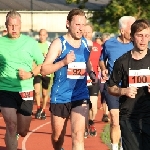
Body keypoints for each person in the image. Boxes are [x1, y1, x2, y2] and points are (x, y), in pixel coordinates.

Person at [41, 8, 97, 150]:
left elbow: (87, 62)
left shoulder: (86, 44)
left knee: (78, 135)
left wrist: (92, 74)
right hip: (60, 96)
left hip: (80, 95)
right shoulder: (58, 44)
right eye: (77, 25)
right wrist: (63, 62)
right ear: (68, 24)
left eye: (83, 25)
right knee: (57, 137)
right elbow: (44, 69)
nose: (81, 29)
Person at [0, 10, 44, 150]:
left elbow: (42, 63)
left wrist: (30, 74)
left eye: (16, 25)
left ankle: (12, 135)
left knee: (22, 131)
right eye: (11, 25)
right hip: (5, 89)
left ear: (21, 25)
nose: (14, 29)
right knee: (11, 125)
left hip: (25, 90)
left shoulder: (30, 43)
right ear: (6, 25)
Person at [107, 19, 150, 150]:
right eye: (139, 35)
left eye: (147, 36)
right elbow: (110, 87)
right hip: (129, 116)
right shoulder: (122, 61)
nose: (143, 40)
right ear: (132, 37)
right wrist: (123, 91)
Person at [100, 16, 136, 150]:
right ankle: (115, 148)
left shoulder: (136, 44)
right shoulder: (109, 44)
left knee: (126, 121)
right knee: (115, 120)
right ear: (122, 31)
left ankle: (123, 146)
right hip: (113, 87)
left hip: (131, 88)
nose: (134, 33)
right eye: (131, 29)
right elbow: (102, 59)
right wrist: (103, 69)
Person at [83, 23, 102, 138]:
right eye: (84, 31)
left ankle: (91, 122)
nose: (86, 34)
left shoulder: (97, 46)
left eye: (89, 32)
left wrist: (103, 69)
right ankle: (84, 127)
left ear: (92, 33)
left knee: (93, 106)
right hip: (80, 80)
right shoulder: (78, 45)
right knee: (83, 106)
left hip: (93, 79)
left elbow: (101, 60)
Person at [34, 29, 51, 120]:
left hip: (46, 71)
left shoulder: (49, 45)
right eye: (40, 35)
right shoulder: (35, 45)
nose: (42, 36)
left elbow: (54, 57)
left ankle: (43, 109)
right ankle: (38, 108)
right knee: (36, 91)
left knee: (44, 93)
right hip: (37, 70)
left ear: (46, 35)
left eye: (43, 35)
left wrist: (47, 56)